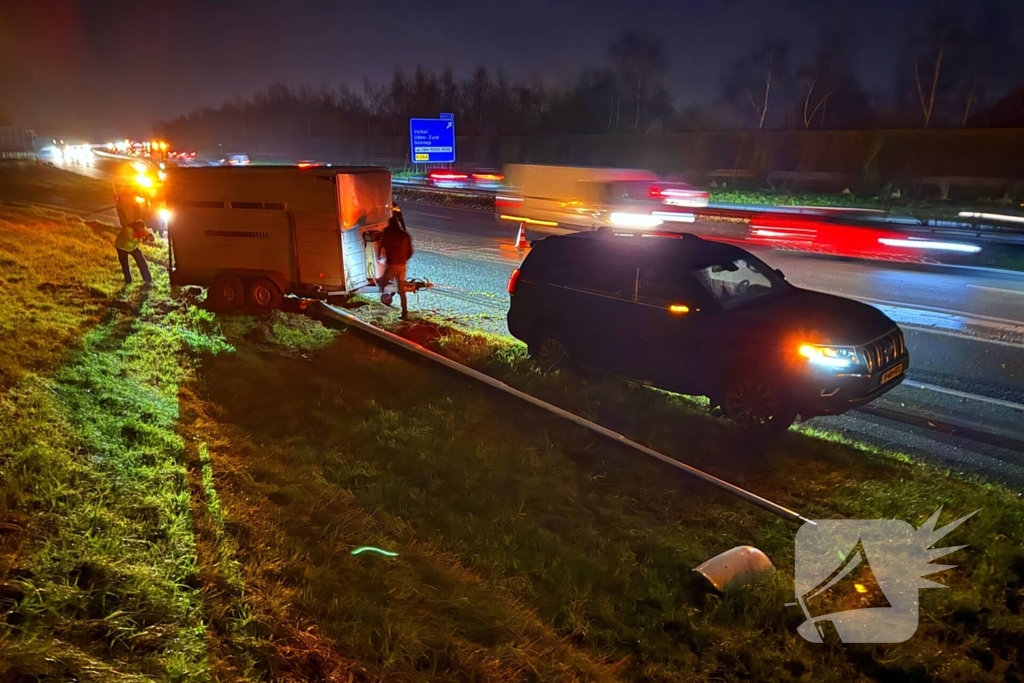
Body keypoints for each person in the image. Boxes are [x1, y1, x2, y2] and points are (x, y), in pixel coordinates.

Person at [378, 215, 414, 319]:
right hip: (402, 265)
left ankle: (385, 301)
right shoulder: (405, 235)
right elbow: (410, 251)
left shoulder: (388, 232)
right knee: (402, 290)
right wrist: (403, 260)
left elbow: (382, 246)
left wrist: (383, 255)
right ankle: (404, 312)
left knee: (383, 283)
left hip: (392, 265)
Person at [115, 219, 154, 285]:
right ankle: (128, 281)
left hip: (133, 247)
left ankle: (148, 280)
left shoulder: (143, 228)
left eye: (143, 229)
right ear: (136, 227)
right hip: (122, 247)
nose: (142, 230)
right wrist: (143, 240)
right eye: (140, 229)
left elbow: (148, 235)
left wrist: (150, 237)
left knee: (142, 263)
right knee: (125, 265)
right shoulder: (127, 229)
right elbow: (133, 239)